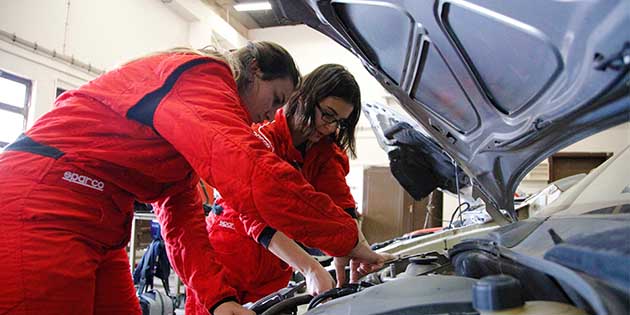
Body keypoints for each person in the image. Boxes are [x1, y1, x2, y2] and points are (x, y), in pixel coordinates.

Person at [0, 43, 382, 315]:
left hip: (100, 226)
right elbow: (253, 175)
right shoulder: (204, 77)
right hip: (42, 204)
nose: (273, 110)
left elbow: (182, 222)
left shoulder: (183, 141)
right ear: (252, 72)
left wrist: (218, 300)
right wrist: (346, 238)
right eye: (276, 96)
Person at [185, 64, 391, 313]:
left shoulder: (324, 153)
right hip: (226, 261)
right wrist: (310, 268)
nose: (330, 128)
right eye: (327, 115)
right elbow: (254, 217)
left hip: (274, 270)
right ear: (305, 98)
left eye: (339, 122)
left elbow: (341, 205)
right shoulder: (260, 139)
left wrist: (355, 250)